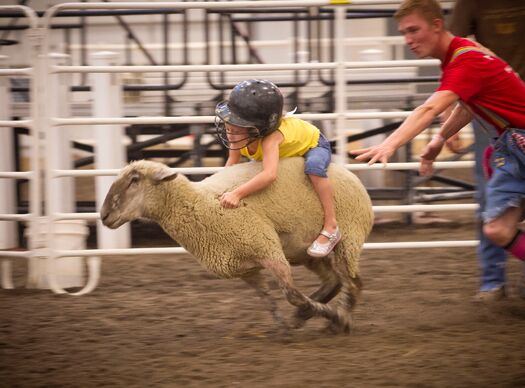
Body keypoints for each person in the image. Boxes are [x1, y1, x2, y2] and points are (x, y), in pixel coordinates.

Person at [350, 0, 525, 275]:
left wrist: (389, 143)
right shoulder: (464, 55)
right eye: (403, 33)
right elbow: (469, 104)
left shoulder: (465, 60)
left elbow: (429, 108)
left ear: (436, 25)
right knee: (498, 229)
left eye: (413, 30)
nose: (408, 40)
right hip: (512, 148)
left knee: (498, 227)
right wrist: (439, 139)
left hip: (516, 146)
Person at [446, 0, 525, 301]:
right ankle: (493, 280)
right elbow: (456, 48)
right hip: (493, 105)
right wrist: (455, 113)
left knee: (494, 197)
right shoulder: (472, 2)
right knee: (489, 196)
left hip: (503, 107)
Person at [215, 79, 341, 257]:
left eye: (236, 130)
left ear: (256, 129)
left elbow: (269, 175)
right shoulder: (239, 137)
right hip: (285, 149)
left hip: (313, 144)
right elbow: (231, 165)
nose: (230, 135)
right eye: (228, 128)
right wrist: (220, 189)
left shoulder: (271, 138)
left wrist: (237, 193)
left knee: (314, 168)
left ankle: (331, 226)